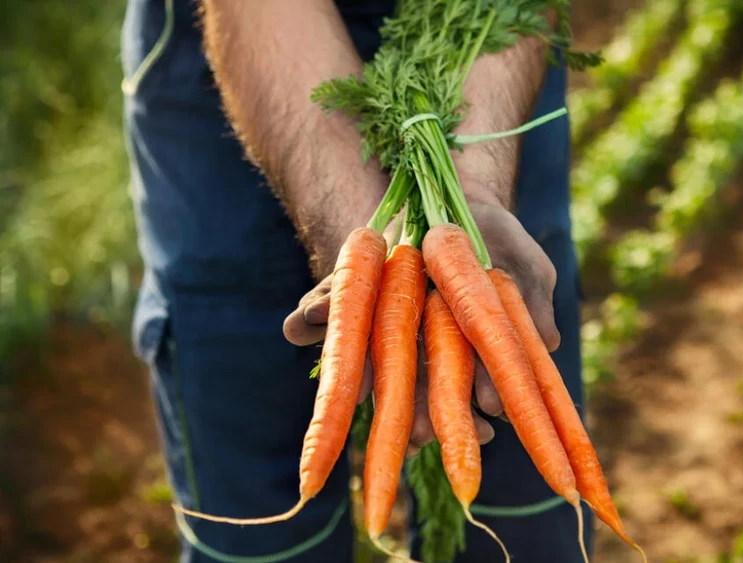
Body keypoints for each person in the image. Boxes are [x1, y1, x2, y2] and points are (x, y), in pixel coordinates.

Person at [122, 0, 590, 561]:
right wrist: (369, 256)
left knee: (522, 505)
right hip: (241, 48)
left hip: (486, 64)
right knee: (259, 519)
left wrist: (477, 190)